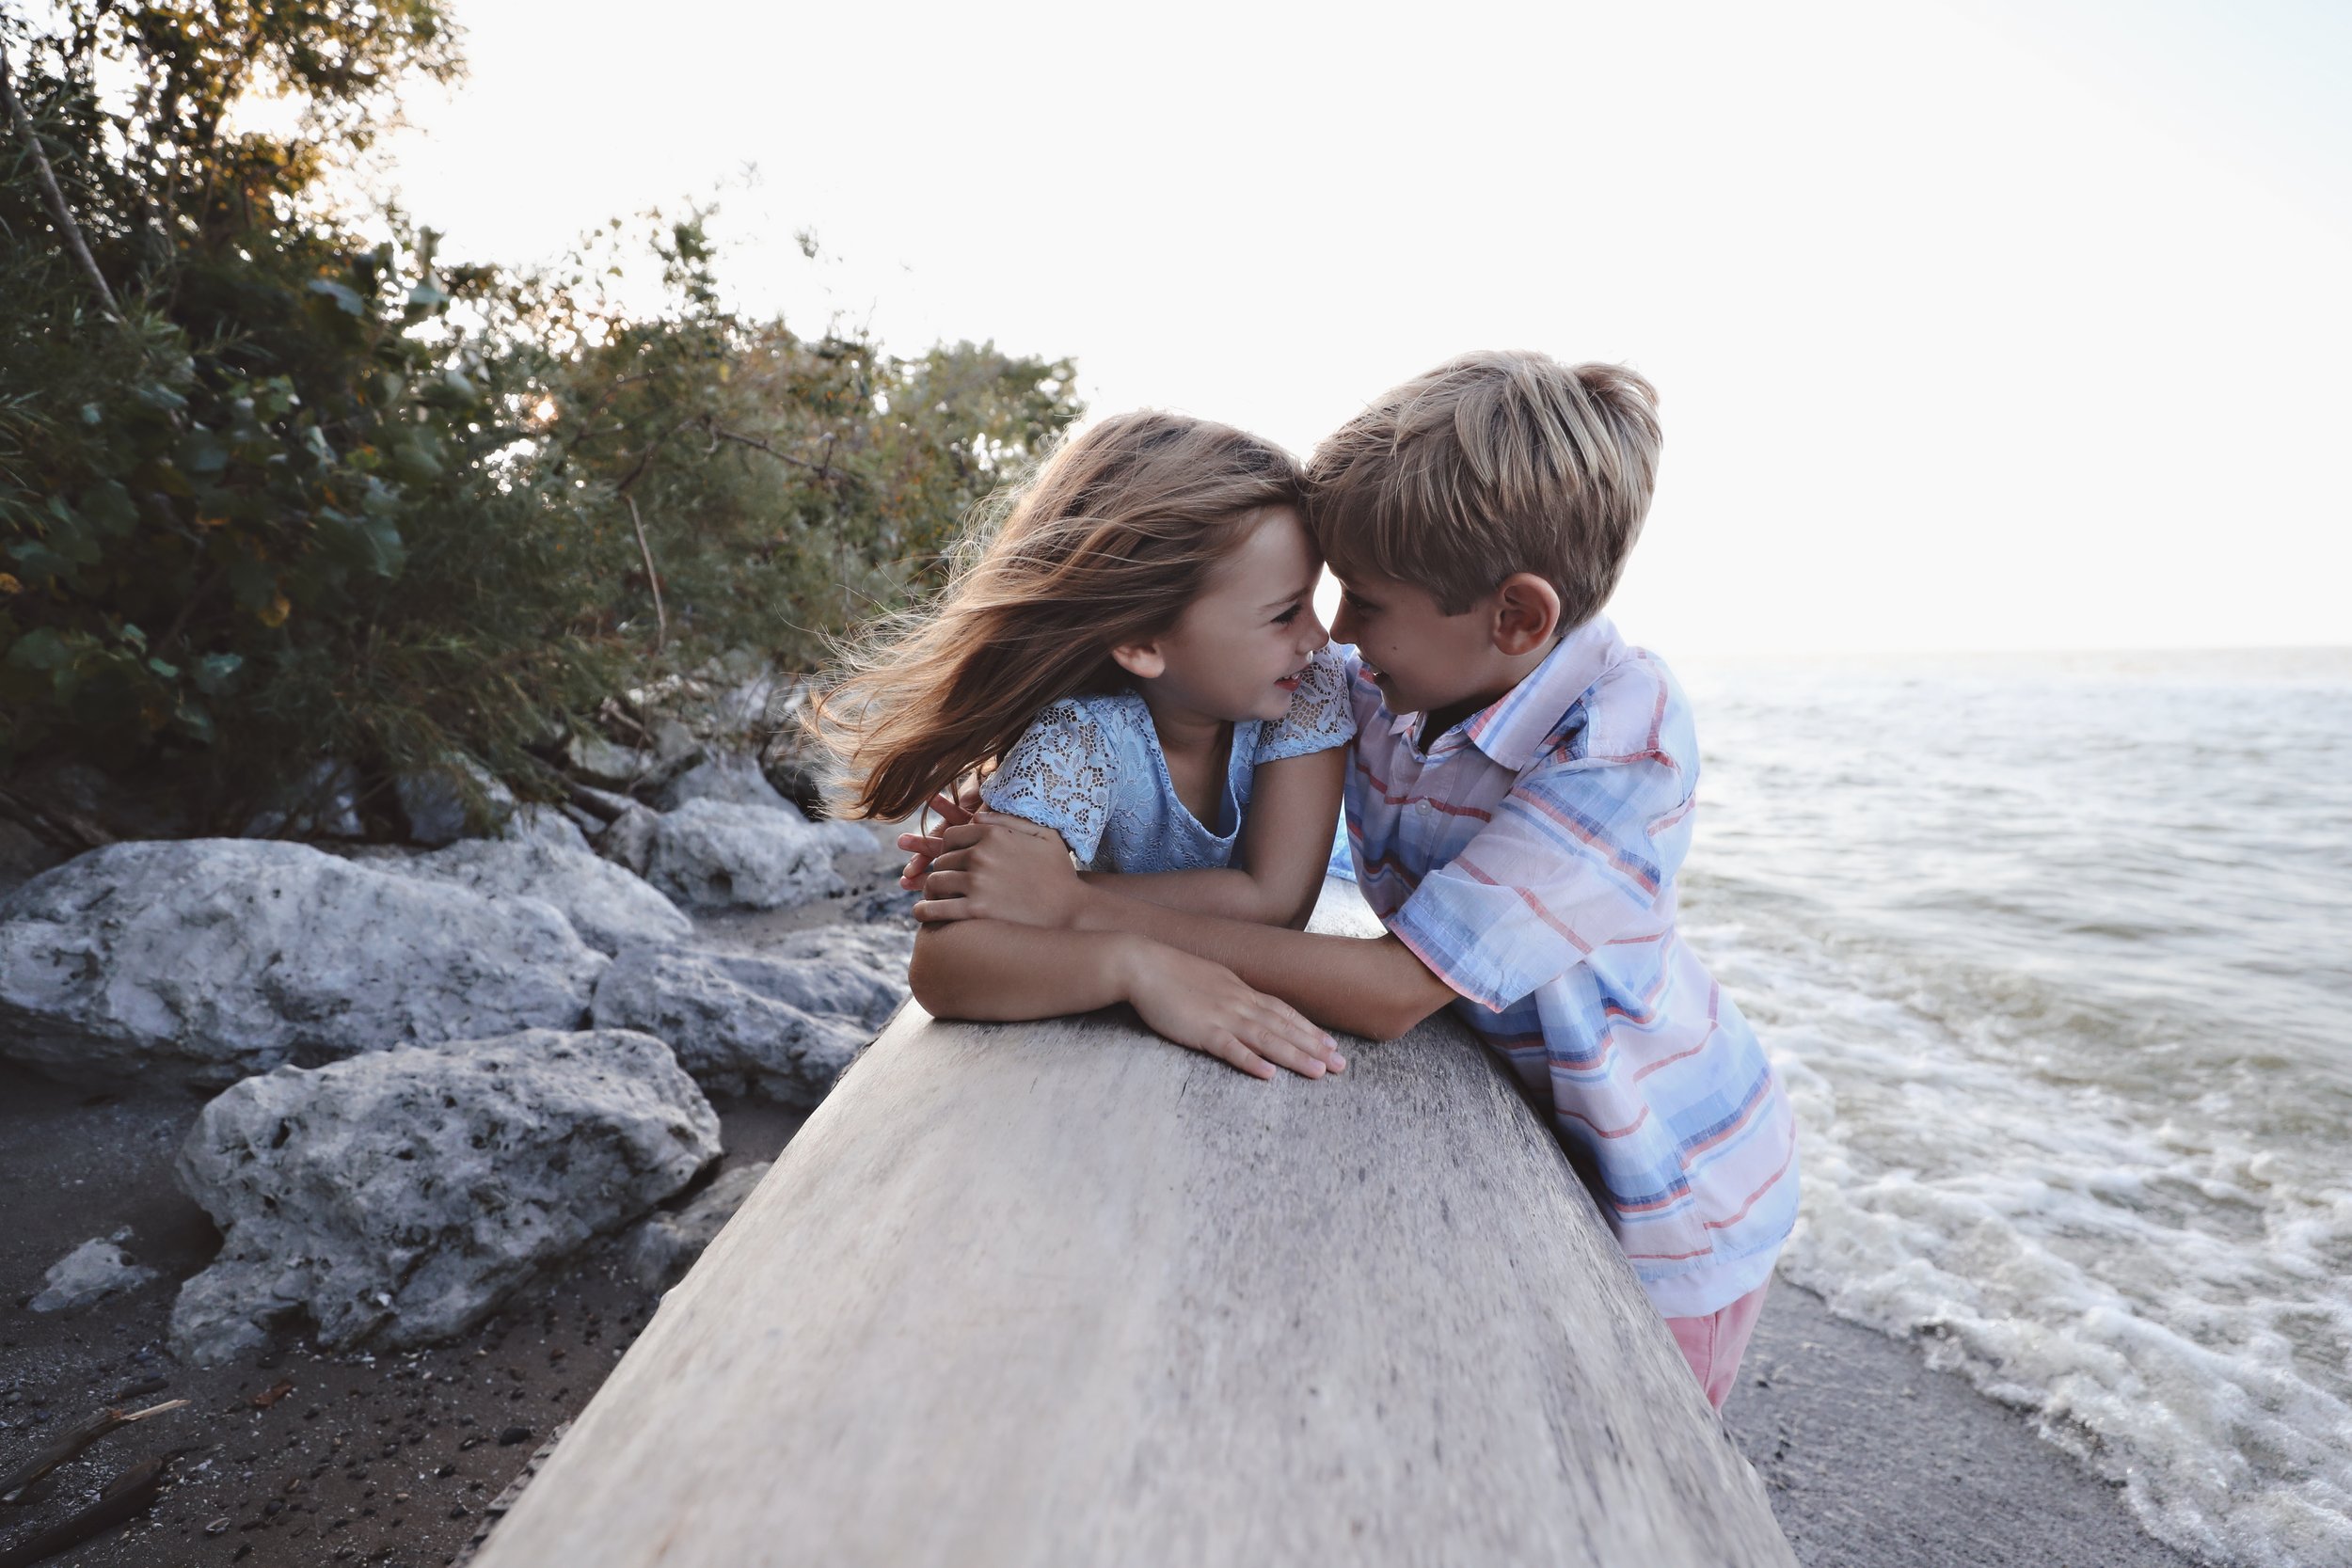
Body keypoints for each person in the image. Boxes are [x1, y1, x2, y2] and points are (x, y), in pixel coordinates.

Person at [902, 352, 1798, 1408]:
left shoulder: (1620, 738)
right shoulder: (1388, 679)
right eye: (1320, 602)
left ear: (1515, 617)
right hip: (1523, 1102)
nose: (1338, 637)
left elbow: (1390, 986)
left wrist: (1077, 906)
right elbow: (1213, 706)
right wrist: (1024, 853)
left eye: (1362, 600)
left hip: (1668, 1173)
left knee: (1633, 1437)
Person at [811, 408, 1353, 1084]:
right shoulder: (1082, 739)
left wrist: (1064, 894)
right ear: (1142, 644)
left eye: (1312, 600)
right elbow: (942, 967)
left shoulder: (1307, 687)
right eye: (1284, 613)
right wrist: (1131, 966)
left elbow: (1280, 904)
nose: (1320, 635)